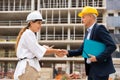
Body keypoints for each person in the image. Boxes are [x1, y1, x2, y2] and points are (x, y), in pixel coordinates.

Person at [64, 6, 116, 80]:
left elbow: (112, 46)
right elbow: (82, 50)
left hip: (100, 70)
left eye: (83, 17)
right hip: (91, 69)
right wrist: (66, 52)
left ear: (90, 16)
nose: (82, 20)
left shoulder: (99, 28)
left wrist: (97, 58)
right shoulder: (87, 33)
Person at [14, 11, 64, 80]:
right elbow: (37, 50)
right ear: (31, 23)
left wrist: (44, 47)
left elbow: (35, 48)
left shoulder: (29, 34)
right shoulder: (28, 34)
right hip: (28, 67)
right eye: (38, 23)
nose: (40, 25)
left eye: (41, 23)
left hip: (28, 67)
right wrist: (55, 51)